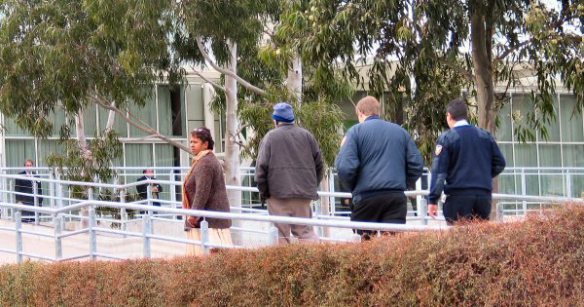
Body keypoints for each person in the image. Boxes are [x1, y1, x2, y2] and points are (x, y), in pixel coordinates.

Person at [335, 96, 423, 239]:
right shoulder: (400, 132)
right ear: (378, 112)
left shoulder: (355, 132)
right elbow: (417, 164)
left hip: (366, 198)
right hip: (395, 197)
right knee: (393, 248)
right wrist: (403, 183)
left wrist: (354, 188)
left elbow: (345, 167)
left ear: (361, 113)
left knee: (367, 248)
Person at [427, 98, 506, 225]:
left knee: (459, 239)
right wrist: (483, 175)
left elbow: (440, 173)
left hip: (458, 196)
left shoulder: (447, 138)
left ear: (449, 116)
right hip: (483, 196)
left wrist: (432, 200)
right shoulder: (485, 136)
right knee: (479, 238)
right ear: (465, 116)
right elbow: (500, 163)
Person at [255, 102, 323, 244]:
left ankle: (283, 266)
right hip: (304, 194)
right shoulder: (307, 136)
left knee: (281, 235)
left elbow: (261, 169)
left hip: (277, 194)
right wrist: (311, 186)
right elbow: (319, 165)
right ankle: (315, 263)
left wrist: (264, 192)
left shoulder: (270, 137)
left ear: (276, 120)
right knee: (305, 233)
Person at [183, 127, 232, 255]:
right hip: (210, 220)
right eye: (191, 142)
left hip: (211, 223)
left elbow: (201, 192)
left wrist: (193, 217)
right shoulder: (204, 160)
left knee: (210, 259)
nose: (192, 145)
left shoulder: (206, 163)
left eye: (195, 142)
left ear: (205, 144)